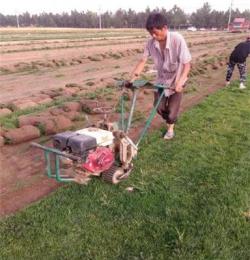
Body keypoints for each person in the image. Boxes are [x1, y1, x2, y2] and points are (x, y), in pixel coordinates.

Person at [130, 13, 191, 140]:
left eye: (155, 33)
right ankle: (169, 119)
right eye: (150, 33)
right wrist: (133, 77)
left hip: (176, 79)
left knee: (172, 112)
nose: (153, 36)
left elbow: (187, 65)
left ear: (164, 28)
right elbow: (143, 61)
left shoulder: (177, 39)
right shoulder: (150, 43)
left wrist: (180, 83)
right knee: (159, 108)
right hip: (161, 80)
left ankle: (170, 127)